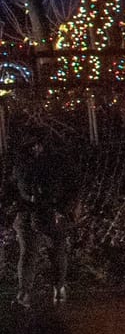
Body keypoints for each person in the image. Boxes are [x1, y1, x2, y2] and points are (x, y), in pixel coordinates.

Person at [10, 131, 79, 307]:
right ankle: (25, 293)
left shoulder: (56, 162)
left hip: (50, 211)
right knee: (29, 253)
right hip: (29, 212)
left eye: (37, 144)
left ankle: (58, 286)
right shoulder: (22, 164)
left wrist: (62, 208)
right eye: (30, 145)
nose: (34, 148)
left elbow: (71, 187)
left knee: (55, 251)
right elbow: (13, 187)